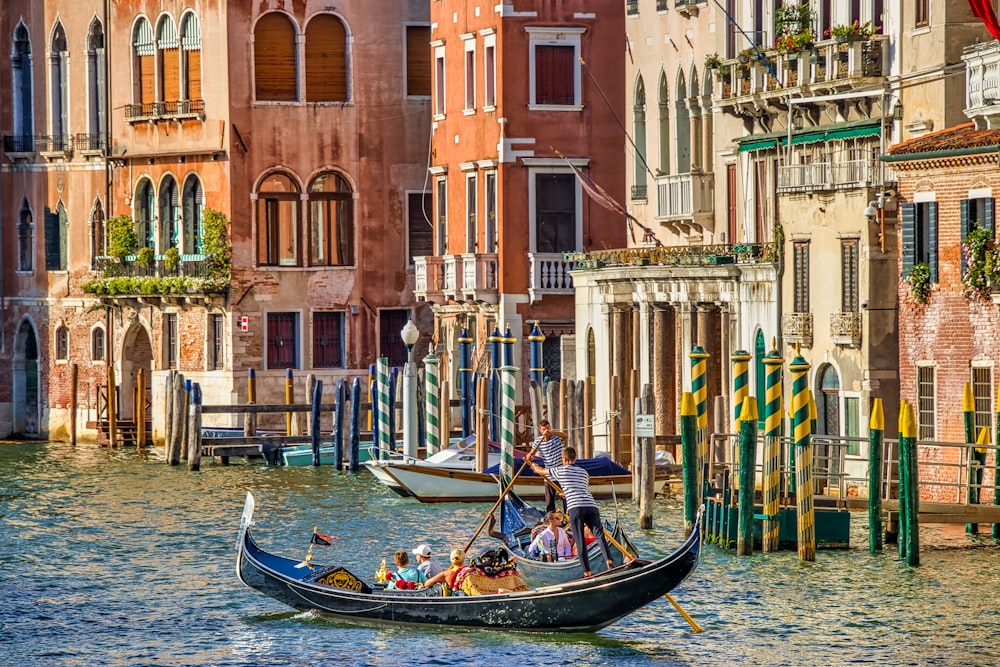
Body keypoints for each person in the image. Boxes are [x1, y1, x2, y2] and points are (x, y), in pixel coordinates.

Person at [529, 446, 613, 578]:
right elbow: (579, 488)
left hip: (576, 507)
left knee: (579, 540)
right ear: (575, 458)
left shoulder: (560, 470)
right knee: (599, 535)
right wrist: (565, 493)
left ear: (563, 459)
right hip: (591, 505)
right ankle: (610, 563)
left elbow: (541, 471)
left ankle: (587, 573)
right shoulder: (584, 472)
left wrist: (532, 464)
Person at [532, 419, 564, 513]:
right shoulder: (538, 441)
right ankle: (551, 519)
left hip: (560, 473)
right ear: (540, 430)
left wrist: (552, 432)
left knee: (565, 497)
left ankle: (569, 518)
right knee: (549, 502)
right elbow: (531, 453)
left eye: (548, 429)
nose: (547, 431)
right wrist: (530, 456)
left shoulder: (556, 438)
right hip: (548, 475)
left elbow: (565, 436)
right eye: (544, 429)